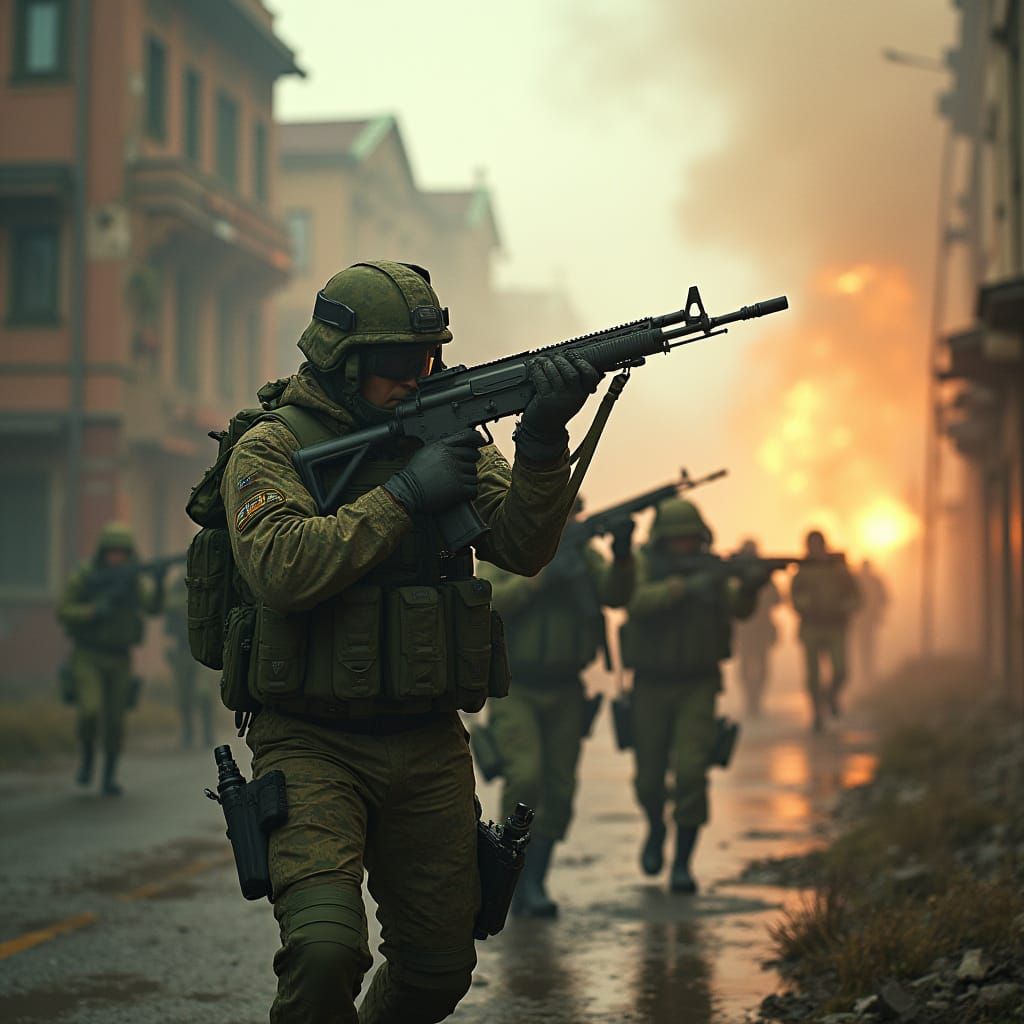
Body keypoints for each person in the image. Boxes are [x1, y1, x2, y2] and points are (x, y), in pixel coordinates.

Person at [221, 261, 603, 1024]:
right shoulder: (271, 448)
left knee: (437, 970)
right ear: (340, 360)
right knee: (326, 951)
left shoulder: (446, 433)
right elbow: (282, 567)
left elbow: (523, 544)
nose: (416, 378)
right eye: (397, 364)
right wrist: (402, 495)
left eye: (427, 361)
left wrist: (542, 438)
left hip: (427, 741)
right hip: (311, 739)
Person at [478, 498, 634, 918]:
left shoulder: (583, 553)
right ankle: (510, 880)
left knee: (560, 789)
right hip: (518, 688)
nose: (563, 521)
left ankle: (535, 881)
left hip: (567, 688)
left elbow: (617, 595)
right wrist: (540, 579)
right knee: (525, 776)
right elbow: (488, 602)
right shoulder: (508, 550)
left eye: (568, 513)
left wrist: (622, 555)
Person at [621, 499, 770, 893]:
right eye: (677, 540)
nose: (685, 547)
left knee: (691, 772)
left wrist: (751, 586)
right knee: (649, 779)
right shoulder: (644, 566)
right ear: (661, 542)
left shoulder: (714, 572)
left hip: (699, 685)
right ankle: (656, 827)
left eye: (691, 539)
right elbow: (634, 602)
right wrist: (684, 588)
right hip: (650, 685)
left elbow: (738, 608)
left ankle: (682, 862)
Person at [57, 521, 165, 795]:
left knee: (116, 721)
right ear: (102, 552)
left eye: (122, 552)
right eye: (111, 551)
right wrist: (92, 611)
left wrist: (159, 582)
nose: (116, 557)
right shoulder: (87, 575)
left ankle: (109, 775)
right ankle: (87, 758)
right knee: (90, 711)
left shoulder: (133, 580)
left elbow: (153, 608)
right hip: (88, 655)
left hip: (120, 658)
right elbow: (64, 609)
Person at [790, 529, 861, 730]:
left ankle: (831, 697)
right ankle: (816, 714)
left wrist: (845, 606)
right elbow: (794, 596)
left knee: (841, 670)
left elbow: (854, 594)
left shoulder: (838, 568)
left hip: (835, 626)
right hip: (811, 627)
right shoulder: (803, 570)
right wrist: (806, 605)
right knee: (813, 677)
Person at [731, 538, 781, 717]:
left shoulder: (763, 574)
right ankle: (751, 699)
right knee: (746, 669)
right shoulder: (734, 574)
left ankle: (755, 699)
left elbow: (777, 599)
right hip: (744, 629)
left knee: (762, 668)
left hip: (760, 628)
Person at [164, 574, 213, 748]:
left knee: (204, 693)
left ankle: (208, 732)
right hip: (183, 648)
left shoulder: (210, 578)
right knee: (184, 694)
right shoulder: (179, 584)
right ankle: (187, 731)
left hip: (205, 646)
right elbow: (169, 605)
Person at [854, 559, 888, 688]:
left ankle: (867, 675)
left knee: (866, 648)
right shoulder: (860, 581)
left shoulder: (872, 581)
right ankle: (864, 675)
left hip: (866, 621)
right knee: (864, 648)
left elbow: (883, 598)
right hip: (860, 621)